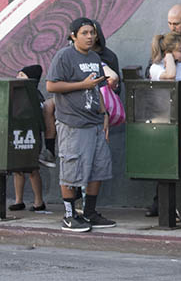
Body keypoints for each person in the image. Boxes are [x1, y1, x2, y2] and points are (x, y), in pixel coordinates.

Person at [45, 18, 116, 233]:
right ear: (73, 35)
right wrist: (81, 84)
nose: (90, 37)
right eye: (84, 33)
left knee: (98, 169)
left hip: (95, 122)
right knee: (71, 168)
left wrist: (104, 114)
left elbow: (98, 89)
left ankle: (90, 213)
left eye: (92, 33)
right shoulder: (64, 56)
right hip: (73, 124)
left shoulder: (95, 57)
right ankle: (68, 215)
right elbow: (51, 85)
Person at [147, 32, 181, 218]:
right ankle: (167, 207)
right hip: (166, 122)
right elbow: (169, 76)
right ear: (168, 52)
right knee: (169, 165)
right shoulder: (156, 68)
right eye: (179, 50)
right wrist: (168, 57)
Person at [9, 65, 46, 212]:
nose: (18, 77)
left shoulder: (35, 95)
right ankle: (19, 200)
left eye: (22, 75)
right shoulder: (15, 93)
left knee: (32, 169)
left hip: (31, 135)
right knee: (17, 169)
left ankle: (39, 201)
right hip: (17, 134)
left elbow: (39, 115)